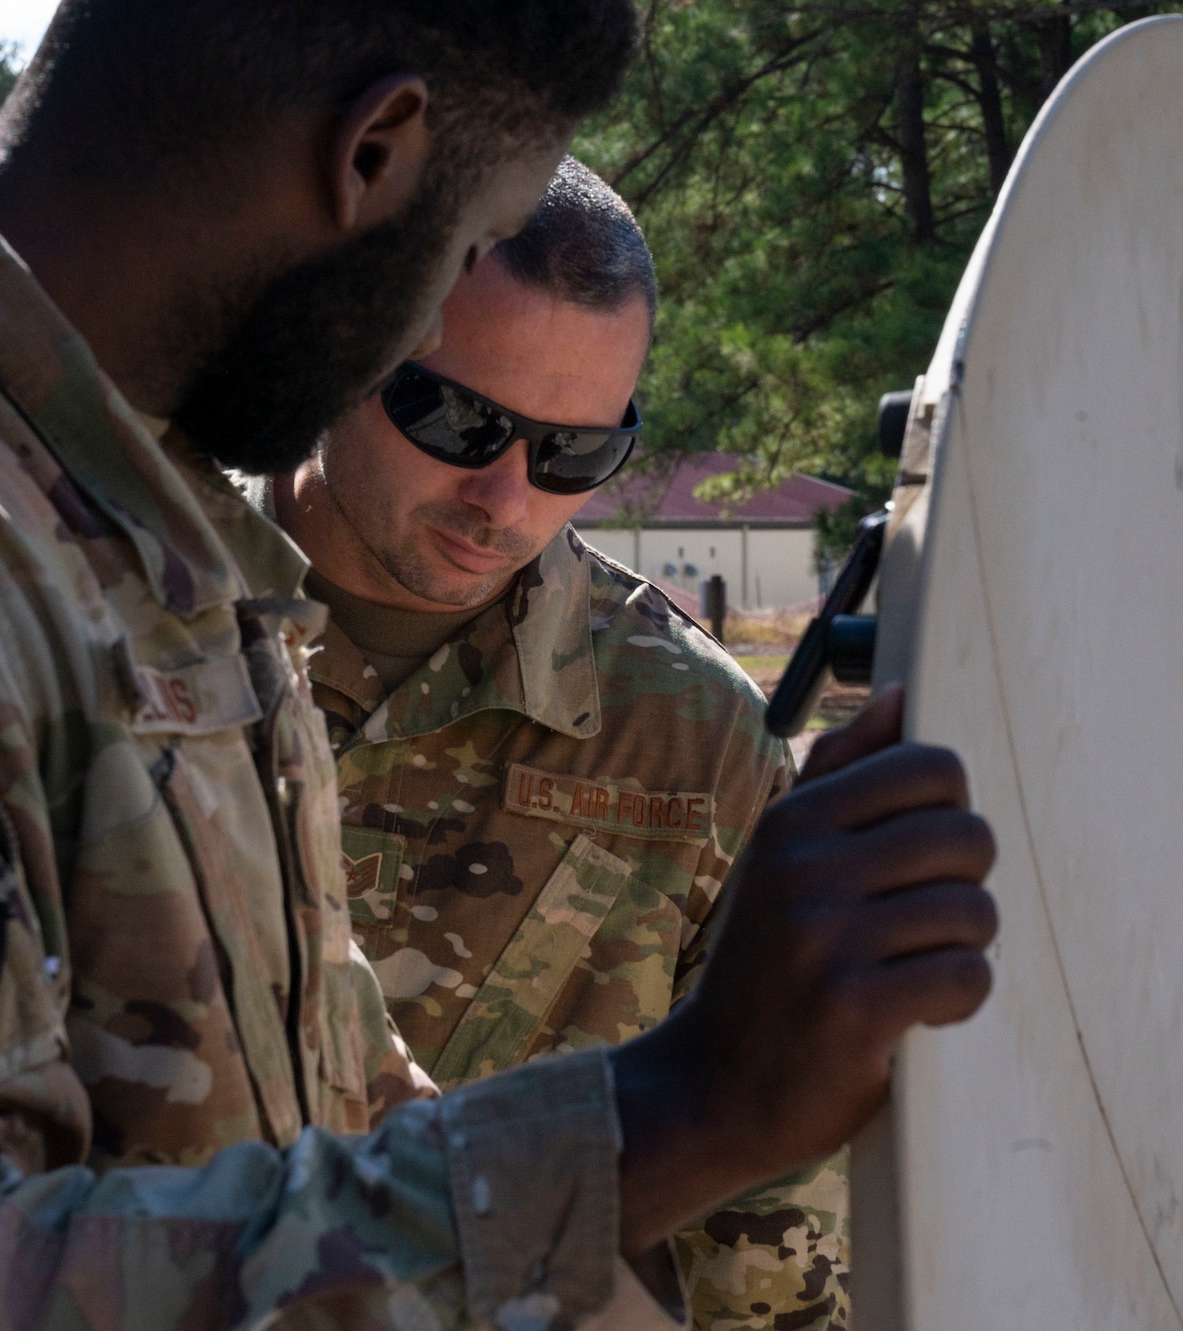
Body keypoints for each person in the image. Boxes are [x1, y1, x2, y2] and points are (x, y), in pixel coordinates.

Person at [0, 3, 999, 1328]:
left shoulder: (130, 502)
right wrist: (684, 1104)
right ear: (373, 150)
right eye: (464, 249)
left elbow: (325, 1113)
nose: (504, 489)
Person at [265, 159, 846, 1331]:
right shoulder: (121, 635)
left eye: (575, 453)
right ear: (340, 348)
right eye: (456, 418)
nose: (507, 496)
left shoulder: (689, 742)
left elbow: (771, 1237)